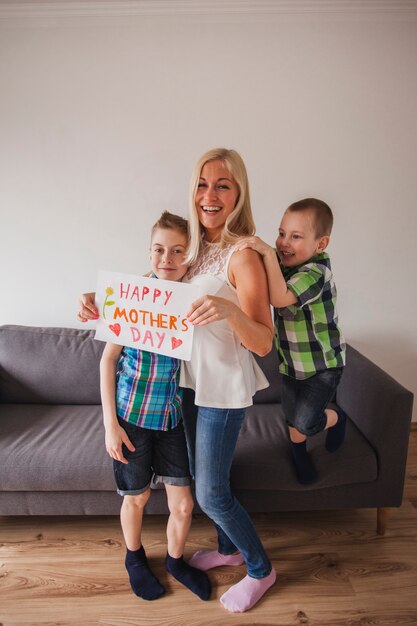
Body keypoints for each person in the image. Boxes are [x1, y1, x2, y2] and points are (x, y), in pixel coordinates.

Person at [78, 148, 277, 613]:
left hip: (221, 390)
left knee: (209, 492)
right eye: (202, 184)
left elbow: (264, 343)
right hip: (184, 387)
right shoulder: (195, 248)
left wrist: (229, 310)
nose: (210, 195)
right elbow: (145, 293)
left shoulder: (243, 254)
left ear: (239, 193)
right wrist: (97, 299)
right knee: (213, 482)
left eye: (223, 185)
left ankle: (259, 568)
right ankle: (226, 549)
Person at [99, 211, 211, 603]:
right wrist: (111, 425)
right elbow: (107, 360)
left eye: (178, 250)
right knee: (138, 497)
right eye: (160, 249)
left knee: (183, 504)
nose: (168, 258)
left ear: (190, 256)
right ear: (149, 252)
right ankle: (134, 557)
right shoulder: (132, 295)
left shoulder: (195, 297)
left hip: (173, 420)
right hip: (131, 418)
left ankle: (177, 561)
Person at [236, 198, 347, 485]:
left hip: (322, 366)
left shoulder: (316, 273)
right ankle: (298, 451)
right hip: (290, 364)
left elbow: (279, 297)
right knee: (291, 415)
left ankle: (335, 419)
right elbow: (259, 266)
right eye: (282, 233)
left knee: (307, 421)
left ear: (320, 244)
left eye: (296, 236)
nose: (284, 242)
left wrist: (266, 253)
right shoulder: (285, 262)